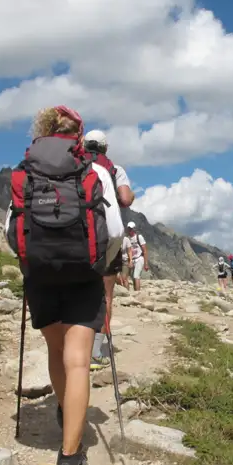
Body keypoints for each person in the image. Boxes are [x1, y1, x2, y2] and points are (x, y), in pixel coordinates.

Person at [6, 105, 123, 465]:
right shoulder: (94, 170)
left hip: (41, 276)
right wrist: (98, 265)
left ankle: (62, 408)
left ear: (41, 131)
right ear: (79, 135)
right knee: (79, 362)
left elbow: (12, 229)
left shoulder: (26, 171)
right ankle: (70, 460)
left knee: (57, 353)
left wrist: (32, 263)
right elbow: (117, 232)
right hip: (83, 276)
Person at [83, 129, 135, 370]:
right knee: (106, 297)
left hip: (77, 239)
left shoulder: (75, 165)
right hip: (106, 238)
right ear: (105, 148)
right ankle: (96, 352)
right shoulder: (115, 169)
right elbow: (125, 199)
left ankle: (74, 348)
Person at [124, 222, 148, 291]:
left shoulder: (139, 237)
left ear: (134, 229)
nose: (129, 230)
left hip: (139, 259)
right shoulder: (127, 238)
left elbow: (145, 251)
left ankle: (137, 293)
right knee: (132, 277)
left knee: (136, 276)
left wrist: (146, 264)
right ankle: (135, 291)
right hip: (132, 260)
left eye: (130, 229)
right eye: (128, 228)